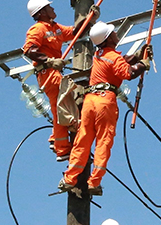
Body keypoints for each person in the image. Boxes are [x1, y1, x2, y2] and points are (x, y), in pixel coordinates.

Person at [58, 21, 148, 196]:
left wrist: (137, 56)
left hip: (90, 101)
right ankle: (94, 182)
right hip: (105, 101)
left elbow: (120, 63)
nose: (116, 34)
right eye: (112, 33)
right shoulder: (113, 57)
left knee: (82, 140)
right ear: (108, 39)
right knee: (103, 141)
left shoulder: (99, 56)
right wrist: (143, 64)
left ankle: (69, 179)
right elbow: (128, 73)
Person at [23, 0, 76, 160]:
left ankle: (56, 139)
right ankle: (61, 147)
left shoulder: (55, 28)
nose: (53, 9)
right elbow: (29, 50)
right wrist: (50, 61)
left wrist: (90, 18)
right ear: (42, 12)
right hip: (48, 73)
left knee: (61, 108)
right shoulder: (38, 29)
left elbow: (74, 31)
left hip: (54, 73)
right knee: (63, 108)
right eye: (49, 7)